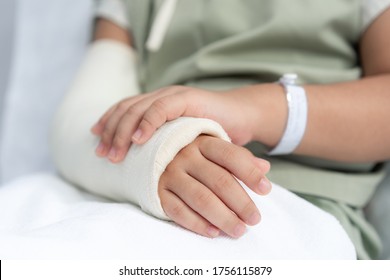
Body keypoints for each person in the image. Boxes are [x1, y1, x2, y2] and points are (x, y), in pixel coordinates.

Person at [86, 0, 390, 259]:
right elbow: (88, 115)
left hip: (299, 203)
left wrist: (251, 110)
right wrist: (161, 152)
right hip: (133, 194)